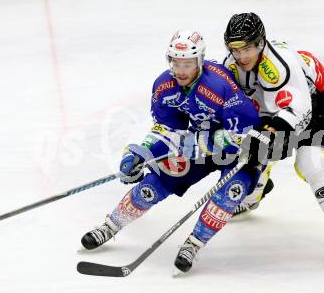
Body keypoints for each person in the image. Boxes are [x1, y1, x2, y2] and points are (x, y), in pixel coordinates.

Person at [80, 30, 271, 274]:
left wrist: (203, 144)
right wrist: (142, 153)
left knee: (229, 194)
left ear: (200, 61)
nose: (181, 70)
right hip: (197, 145)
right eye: (176, 62)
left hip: (240, 152)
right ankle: (111, 225)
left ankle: (194, 243)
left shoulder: (219, 84)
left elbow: (245, 131)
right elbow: (167, 128)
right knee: (154, 183)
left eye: (188, 63)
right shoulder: (164, 85)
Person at [222, 12, 324, 268]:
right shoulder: (232, 65)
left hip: (315, 101)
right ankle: (253, 196)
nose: (241, 56)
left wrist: (271, 134)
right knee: (251, 147)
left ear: (260, 43)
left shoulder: (279, 65)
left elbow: (299, 109)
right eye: (235, 49)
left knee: (310, 163)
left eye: (247, 48)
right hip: (274, 105)